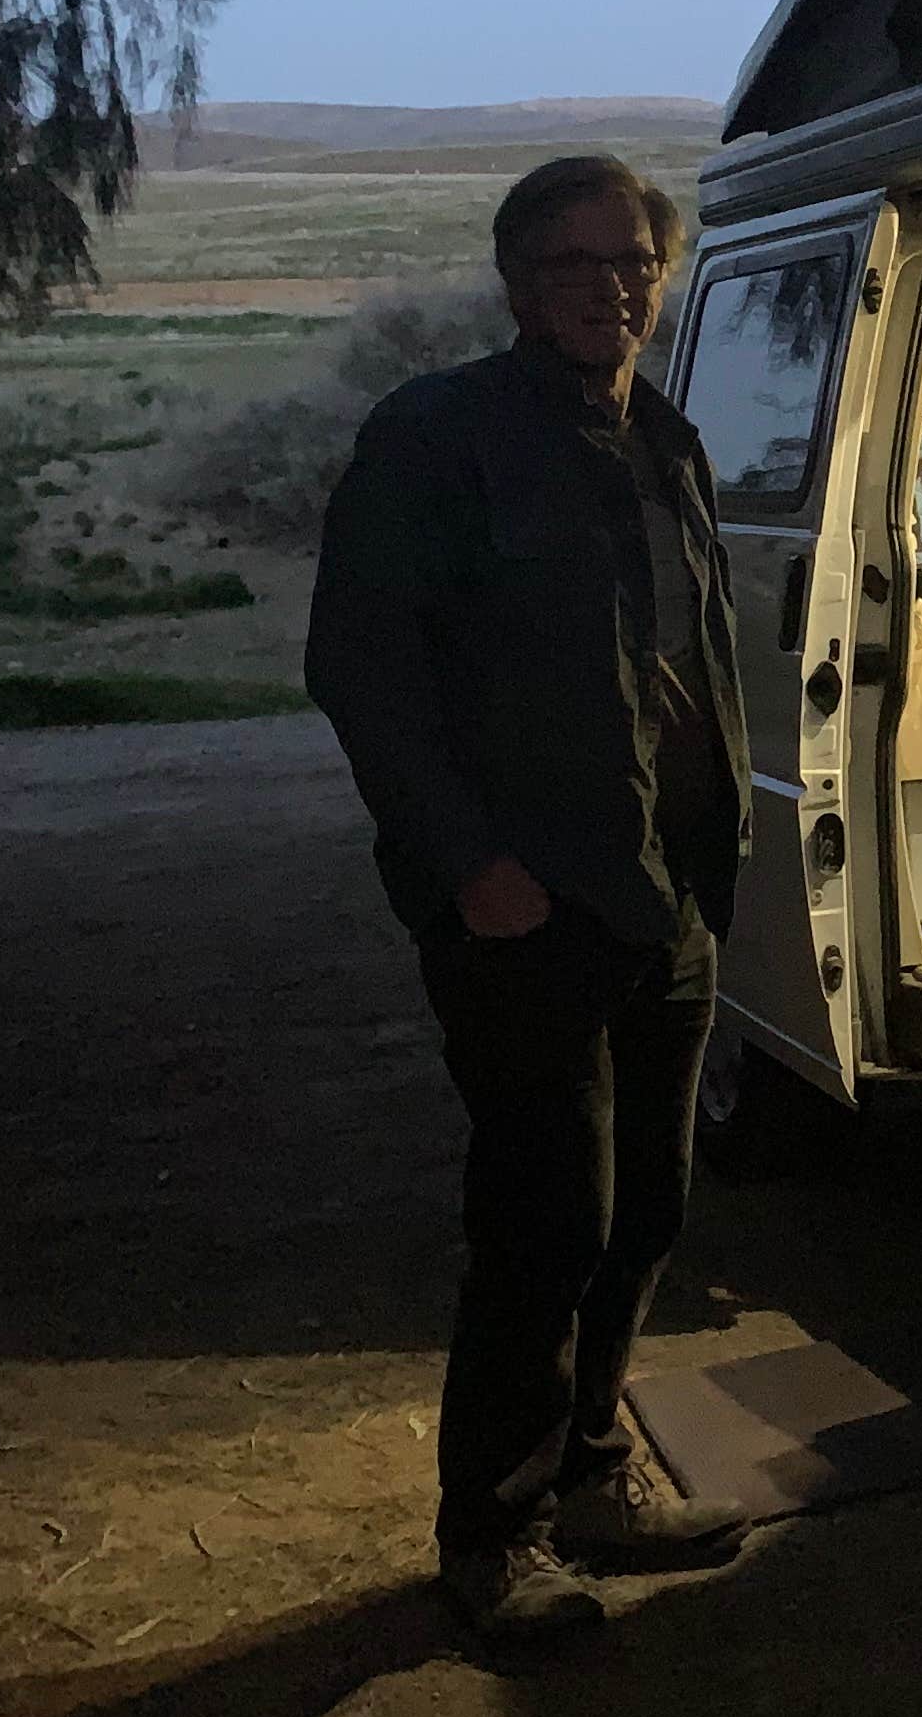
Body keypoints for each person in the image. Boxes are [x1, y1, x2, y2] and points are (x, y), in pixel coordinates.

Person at [305, 154, 757, 1636]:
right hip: (527, 910)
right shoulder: (438, 441)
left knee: (646, 1214)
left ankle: (596, 1476)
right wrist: (469, 868)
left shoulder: (664, 443)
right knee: (543, 1223)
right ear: (516, 283)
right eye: (572, 264)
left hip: (665, 902)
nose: (608, 286)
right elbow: (364, 673)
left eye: (631, 260)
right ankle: (490, 1544)